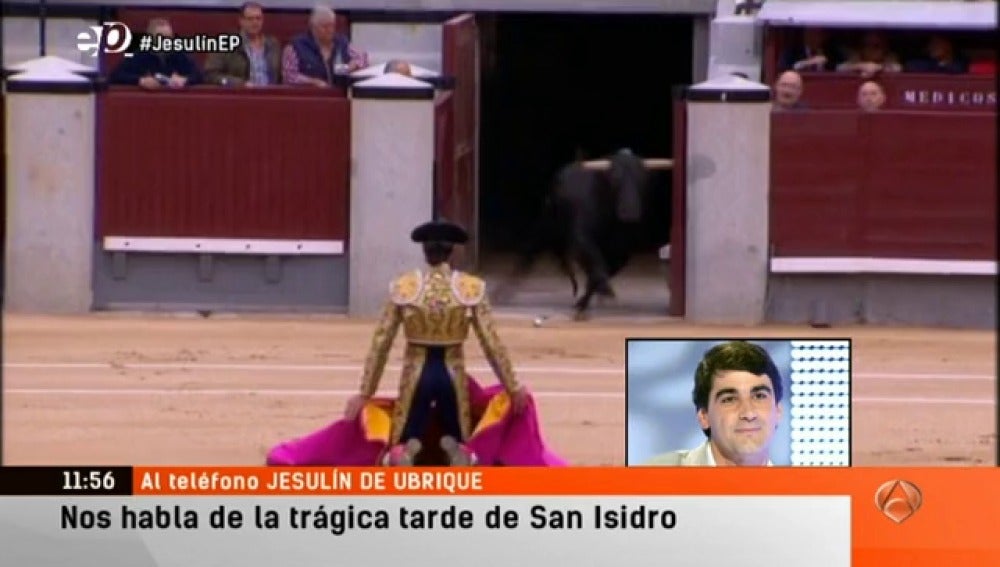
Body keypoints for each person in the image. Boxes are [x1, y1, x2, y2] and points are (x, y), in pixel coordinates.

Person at [266, 220, 564, 467]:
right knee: (459, 433)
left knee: (403, 438)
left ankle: (403, 450)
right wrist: (512, 386)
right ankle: (461, 450)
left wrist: (365, 392)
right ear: (452, 252)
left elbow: (381, 343)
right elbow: (491, 343)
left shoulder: (405, 287)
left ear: (425, 252)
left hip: (416, 374)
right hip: (452, 373)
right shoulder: (470, 289)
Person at [643, 341, 783, 466]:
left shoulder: (793, 485)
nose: (748, 413)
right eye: (729, 399)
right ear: (704, 416)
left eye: (759, 396)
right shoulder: (655, 475)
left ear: (778, 411)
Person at [281, 4, 369, 87]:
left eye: (332, 25)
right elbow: (289, 76)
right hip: (310, 94)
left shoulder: (341, 43)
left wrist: (353, 65)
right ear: (313, 27)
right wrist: (312, 82)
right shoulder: (296, 47)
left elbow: (363, 57)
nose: (330, 30)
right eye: (325, 27)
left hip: (340, 93)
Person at [203, 2, 283, 87]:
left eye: (258, 18)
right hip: (240, 93)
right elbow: (211, 75)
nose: (255, 22)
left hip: (270, 92)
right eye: (250, 19)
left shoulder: (272, 44)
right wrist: (239, 84)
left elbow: (280, 77)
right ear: (241, 21)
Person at [108, 18, 201, 88]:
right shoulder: (140, 55)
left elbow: (199, 76)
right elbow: (116, 76)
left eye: (169, 37)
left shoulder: (180, 54)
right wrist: (140, 80)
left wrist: (184, 80)